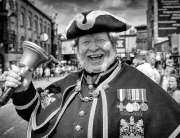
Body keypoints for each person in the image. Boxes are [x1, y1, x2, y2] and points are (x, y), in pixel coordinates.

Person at [2, 10, 180, 138]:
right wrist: (24, 90)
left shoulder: (140, 82)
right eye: (86, 42)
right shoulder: (68, 82)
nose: (93, 48)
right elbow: (36, 115)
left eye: (100, 40)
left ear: (114, 43)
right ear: (78, 49)